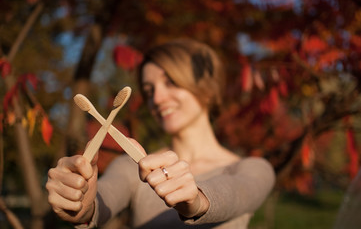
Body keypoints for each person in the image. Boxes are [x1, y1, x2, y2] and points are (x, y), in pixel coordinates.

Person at [46, 38, 276, 228]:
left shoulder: (252, 169)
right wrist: (82, 205)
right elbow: (102, 199)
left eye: (171, 82)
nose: (157, 98)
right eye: (149, 90)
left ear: (207, 88)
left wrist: (196, 201)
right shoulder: (132, 167)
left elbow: (236, 194)